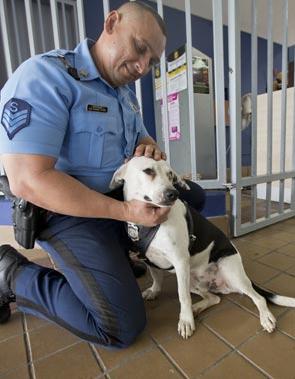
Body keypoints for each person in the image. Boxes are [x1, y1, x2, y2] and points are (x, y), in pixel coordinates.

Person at [0, 1, 205, 348]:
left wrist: (149, 147)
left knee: (192, 195)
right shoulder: (47, 76)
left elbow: (140, 139)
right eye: (140, 48)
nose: (142, 66)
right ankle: (12, 274)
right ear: (111, 23)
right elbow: (28, 180)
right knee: (120, 326)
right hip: (65, 211)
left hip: (113, 200)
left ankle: (121, 253)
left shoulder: (125, 97)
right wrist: (126, 213)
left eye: (151, 61)